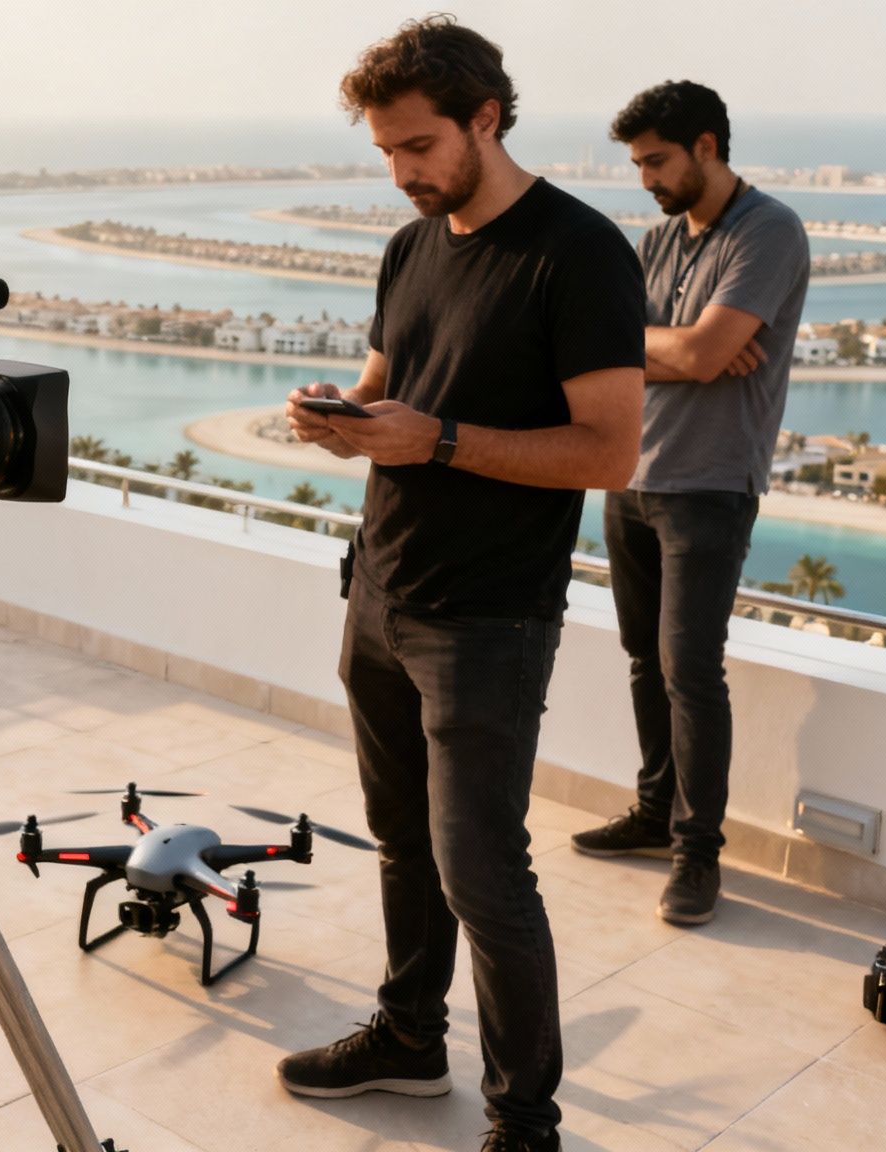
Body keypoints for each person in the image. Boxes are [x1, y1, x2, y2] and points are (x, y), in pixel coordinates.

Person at [273, 18, 645, 1152]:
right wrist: (342, 420)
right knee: (399, 842)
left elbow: (604, 455)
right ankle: (405, 1036)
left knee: (483, 873)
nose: (402, 173)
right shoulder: (411, 242)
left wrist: (428, 441)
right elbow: (394, 387)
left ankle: (522, 1120)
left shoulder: (578, 254)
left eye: (420, 146)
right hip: (379, 590)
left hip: (488, 618)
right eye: (385, 152)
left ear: (486, 118)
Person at [571, 82, 810, 926]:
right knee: (644, 661)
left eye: (657, 160)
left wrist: (694, 350)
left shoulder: (769, 230)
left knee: (690, 671)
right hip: (631, 475)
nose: (645, 179)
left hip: (710, 483)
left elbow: (706, 355)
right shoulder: (660, 237)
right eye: (637, 163)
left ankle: (696, 852)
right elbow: (610, 348)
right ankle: (650, 812)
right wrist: (684, 350)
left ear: (707, 146)